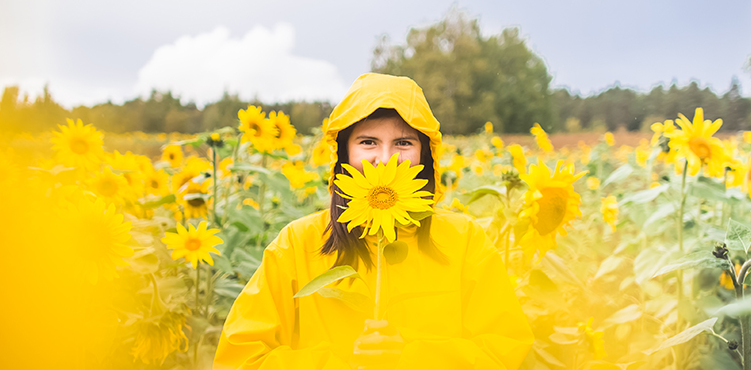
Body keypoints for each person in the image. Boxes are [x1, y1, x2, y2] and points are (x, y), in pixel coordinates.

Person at [214, 73, 533, 369]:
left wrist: (412, 357)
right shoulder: (298, 243)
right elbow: (240, 357)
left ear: (424, 154)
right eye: (368, 142)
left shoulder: (463, 239)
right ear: (342, 153)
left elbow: (505, 349)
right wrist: (343, 362)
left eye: (404, 143)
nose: (385, 158)